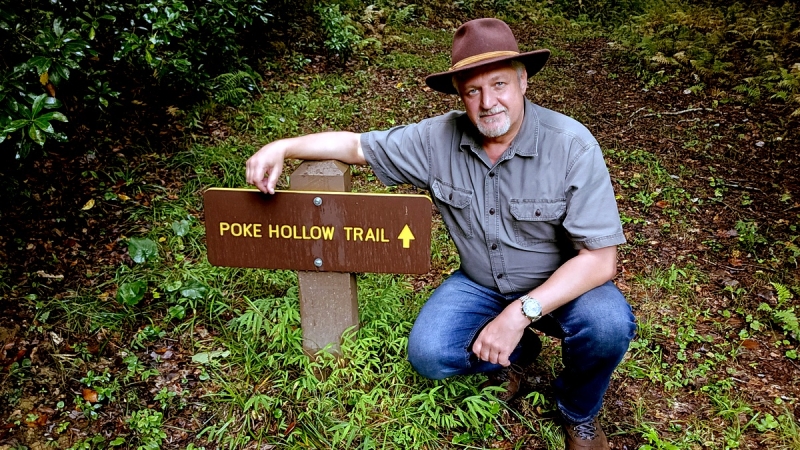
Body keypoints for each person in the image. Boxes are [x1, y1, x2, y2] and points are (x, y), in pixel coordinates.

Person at [245, 17, 636, 450]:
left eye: (500, 84)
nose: (488, 102)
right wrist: (282, 146)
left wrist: (517, 314)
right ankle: (517, 356)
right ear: (460, 95)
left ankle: (578, 412)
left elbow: (600, 260)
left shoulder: (571, 145)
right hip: (481, 283)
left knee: (608, 325)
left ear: (523, 81)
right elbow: (356, 147)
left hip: (561, 284)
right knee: (429, 354)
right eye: (473, 91)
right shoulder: (437, 139)